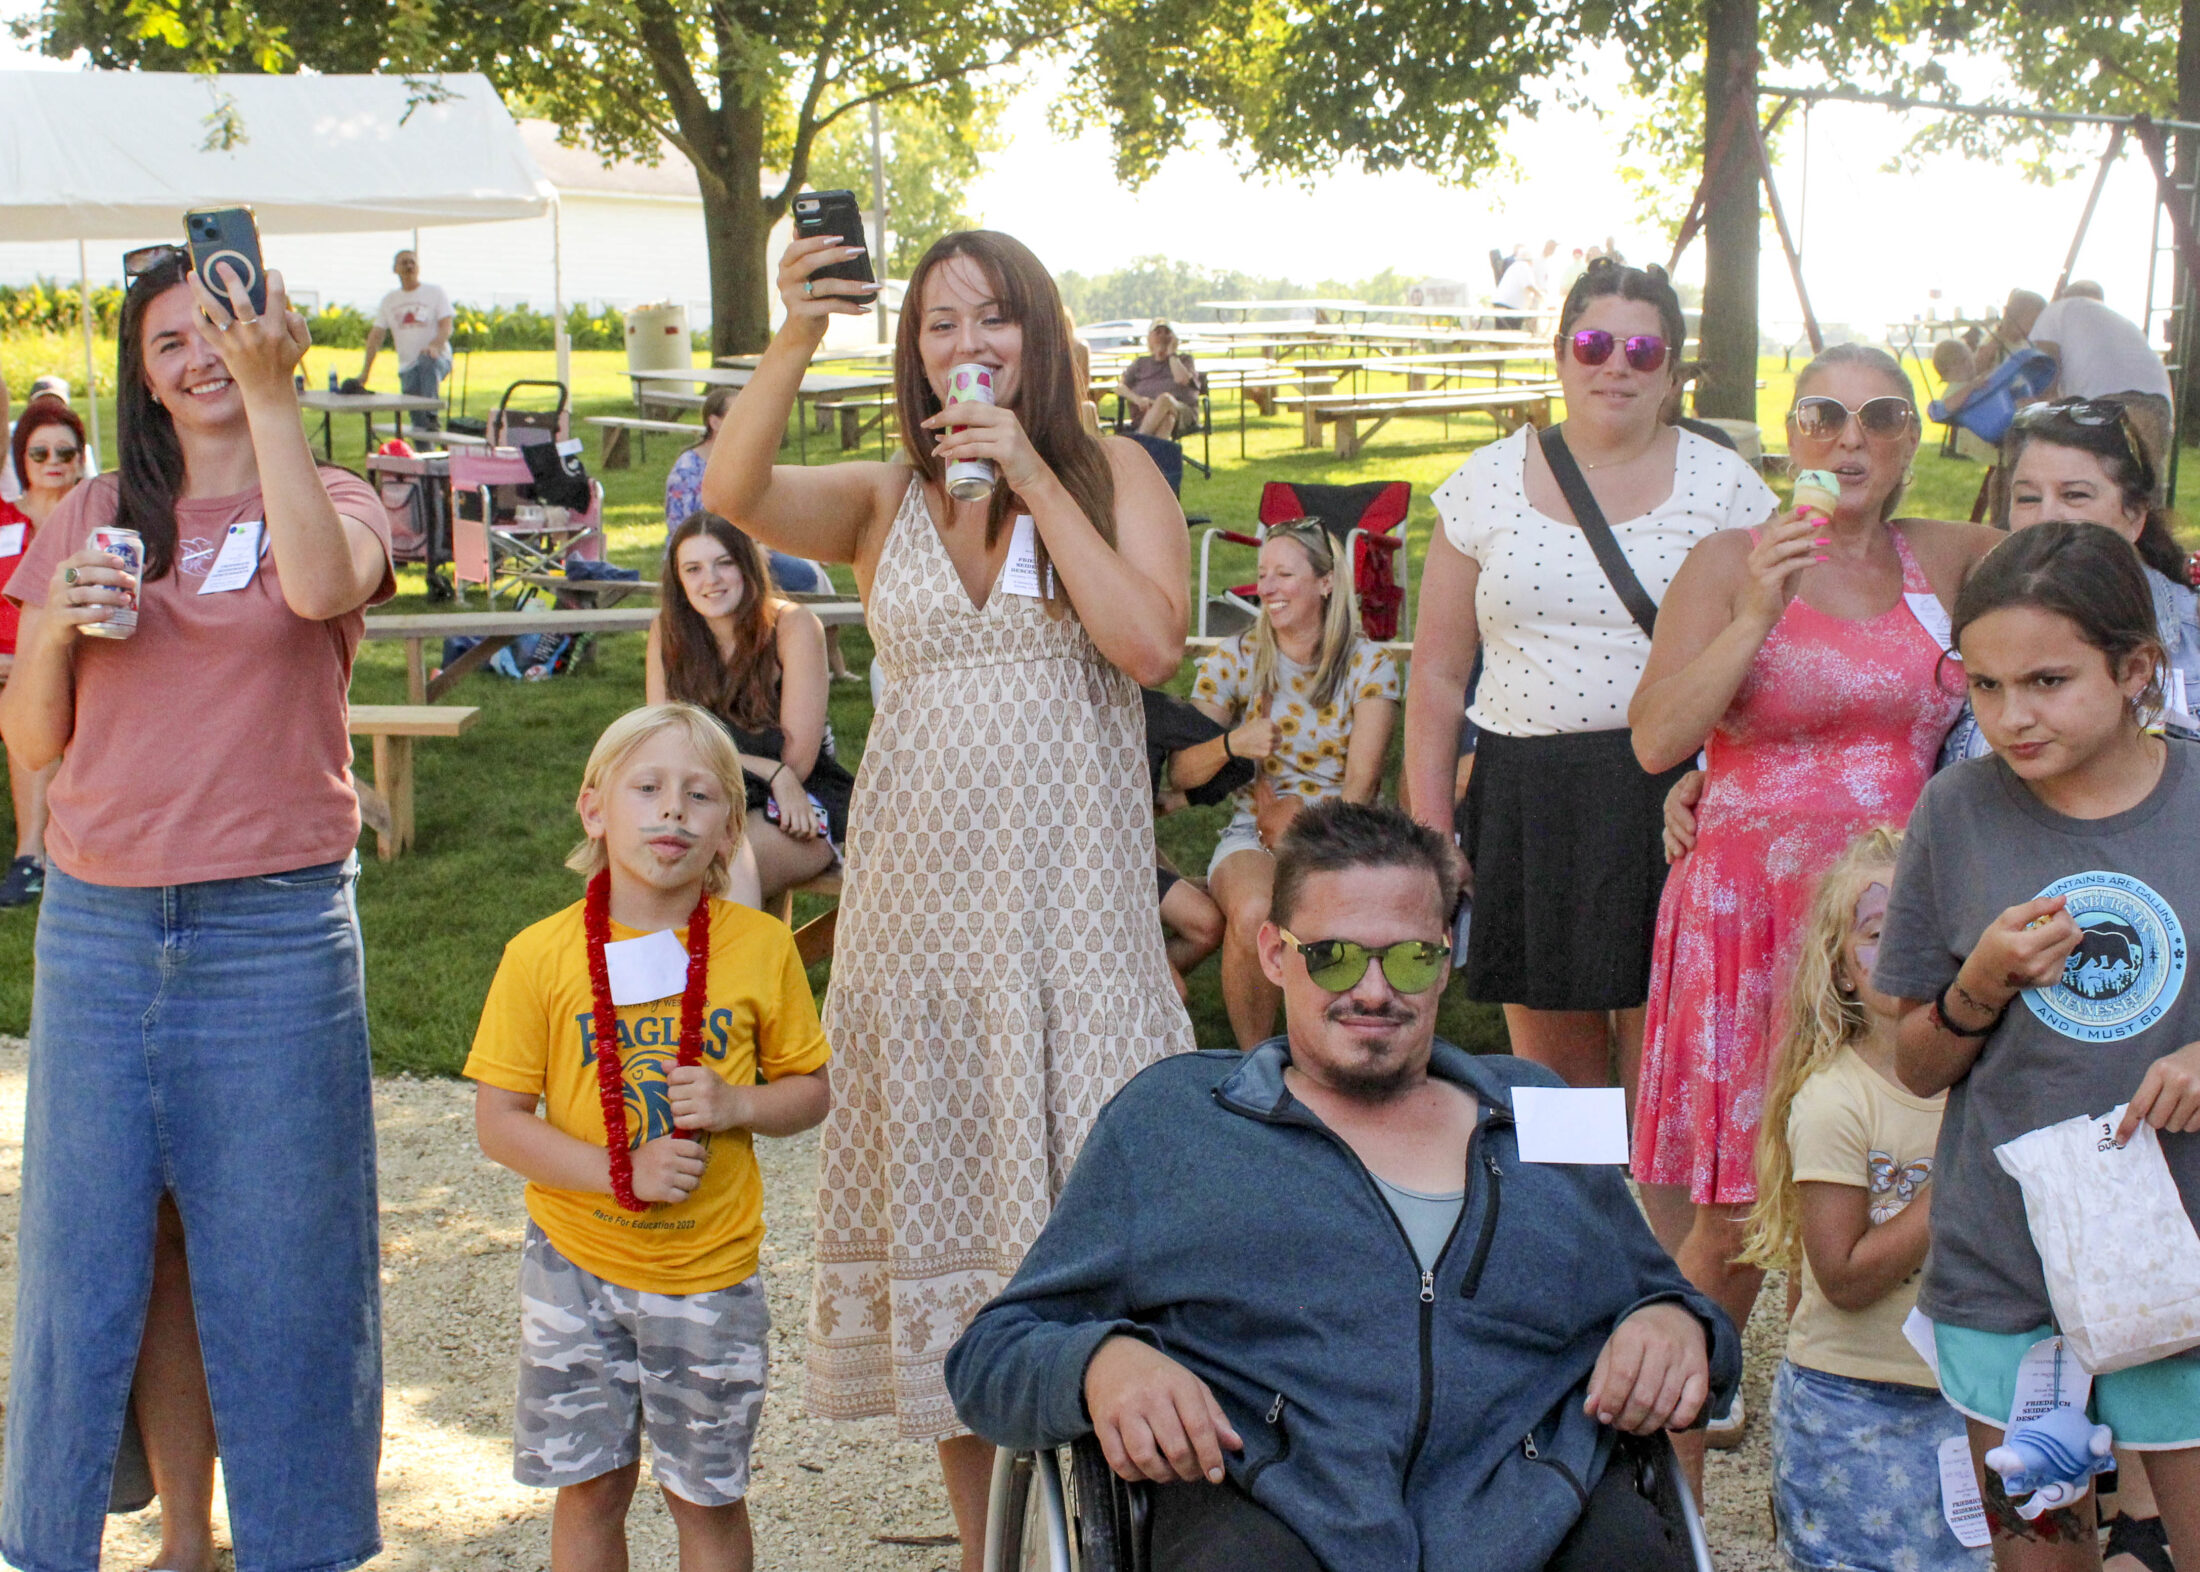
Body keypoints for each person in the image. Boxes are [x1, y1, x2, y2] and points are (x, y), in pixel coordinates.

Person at [700, 226, 1195, 1569]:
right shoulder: (883, 497)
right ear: (912, 349)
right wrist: (800, 329)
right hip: (917, 932)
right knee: (956, 1256)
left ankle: (1121, 1538)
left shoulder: (1116, 472)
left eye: (993, 318)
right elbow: (733, 490)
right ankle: (990, 1553)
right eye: (938, 323)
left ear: (1040, 332)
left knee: (1106, 1251)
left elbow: (1150, 643)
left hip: (1075, 930)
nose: (966, 344)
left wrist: (1031, 469)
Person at [945, 801, 1743, 1572]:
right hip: (1269, 1502)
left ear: (1444, 961)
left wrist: (1676, 1324)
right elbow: (991, 1355)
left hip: (1535, 1502)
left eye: (1409, 957)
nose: (1373, 990)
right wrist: (1099, 1363)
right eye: (1333, 957)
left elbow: (1668, 1302)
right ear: (1273, 954)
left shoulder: (1538, 1106)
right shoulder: (1171, 1122)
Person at [0, 247, 394, 1572]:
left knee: (287, 1265)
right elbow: (34, 739)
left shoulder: (333, 494)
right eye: (166, 342)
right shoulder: (94, 509)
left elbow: (322, 590)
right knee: (97, 1256)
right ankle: (171, 1541)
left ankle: (299, 1549)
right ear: (145, 378)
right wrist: (54, 628)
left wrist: (275, 396)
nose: (195, 357)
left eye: (215, 329)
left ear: (265, 334)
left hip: (275, 935)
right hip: (100, 932)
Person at [1628, 343, 1991, 1476]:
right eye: (1824, 414)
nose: (1851, 438)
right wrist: (1754, 612)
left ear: (1912, 439)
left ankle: (1854, 1469)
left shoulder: (1951, 557)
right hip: (1749, 918)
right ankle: (1671, 1502)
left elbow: (2091, 575)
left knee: (1881, 1184)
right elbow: (1655, 739)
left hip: (1890, 925)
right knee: (1737, 1219)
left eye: (1882, 416)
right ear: (1791, 435)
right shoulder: (1727, 558)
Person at [1876, 521, 2200, 1572]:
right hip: (2007, 1268)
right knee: (2037, 1551)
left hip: (2185, 1263)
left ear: (2136, 669)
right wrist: (1979, 984)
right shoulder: (1956, 811)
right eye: (1985, 685)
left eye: (2048, 681)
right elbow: (1917, 1064)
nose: (2011, 716)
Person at [466, 703, 832, 1572]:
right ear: (594, 810)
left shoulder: (759, 947)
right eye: (648, 789)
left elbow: (812, 1092)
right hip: (574, 1265)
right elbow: (499, 1124)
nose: (673, 810)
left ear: (729, 831)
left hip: (708, 1272)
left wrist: (738, 1104)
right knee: (590, 1488)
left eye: (701, 796)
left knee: (705, 1497)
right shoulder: (539, 956)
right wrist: (618, 1170)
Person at [1404, 259, 1778, 1103]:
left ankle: (1658, 1196)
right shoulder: (1484, 483)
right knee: (1555, 1083)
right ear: (1562, 354)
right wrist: (1434, 833)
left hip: (1677, 792)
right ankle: (1574, 1194)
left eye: (1644, 351)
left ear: (1673, 374)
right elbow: (1436, 677)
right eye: (1594, 344)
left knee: (1668, 1064)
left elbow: (1766, 652)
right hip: (1529, 797)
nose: (1617, 365)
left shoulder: (1729, 489)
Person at [1737, 827, 1987, 1572]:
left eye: (1926, 925)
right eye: (1879, 933)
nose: (1907, 948)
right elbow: (1841, 1277)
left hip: (1972, 1397)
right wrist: (1955, 1185)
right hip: (1853, 1408)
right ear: (1841, 970)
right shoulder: (1835, 1102)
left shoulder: (1992, 1084)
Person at [1193, 519, 1400, 1046]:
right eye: (1263, 573)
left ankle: (1338, 1050)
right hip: (1254, 833)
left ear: (1326, 583)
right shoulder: (1235, 658)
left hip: (1344, 833)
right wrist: (1231, 744)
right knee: (1255, 912)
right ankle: (1255, 1062)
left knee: (1328, 915)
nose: (1267, 587)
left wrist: (1304, 833)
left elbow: (1362, 785)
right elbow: (1182, 771)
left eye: (1284, 574)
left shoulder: (1368, 666)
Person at [647, 511, 853, 908]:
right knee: (643, 866)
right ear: (678, 579)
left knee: (719, 869)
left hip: (795, 797)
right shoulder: (667, 631)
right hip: (703, 792)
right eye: (693, 569)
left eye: (724, 562)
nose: (711, 580)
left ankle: (737, 953)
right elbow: (662, 744)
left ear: (747, 564)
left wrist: (779, 775)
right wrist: (768, 770)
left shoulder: (792, 626)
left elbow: (797, 761)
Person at [666, 386, 854, 682]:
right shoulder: (688, 468)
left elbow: (767, 512)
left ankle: (832, 664)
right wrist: (747, 549)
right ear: (714, 422)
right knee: (806, 577)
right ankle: (789, 658)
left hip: (753, 546)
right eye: (736, 413)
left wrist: (792, 544)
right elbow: (684, 530)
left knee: (815, 572)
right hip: (713, 557)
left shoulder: (745, 459)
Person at [0, 396, 88, 909]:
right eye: (40, 453)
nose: (53, 461)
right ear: (22, 460)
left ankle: (31, 856)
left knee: (33, 692)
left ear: (80, 459)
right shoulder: (2, 520)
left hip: (70, 663)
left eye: (65, 452)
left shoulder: (100, 522)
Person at [2028, 290, 2173, 482]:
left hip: (2104, 403)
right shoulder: (2115, 318)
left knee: (2091, 485)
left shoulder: (2051, 312)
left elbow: (2046, 378)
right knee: (2145, 487)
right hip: (2157, 401)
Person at [359, 247, 453, 429]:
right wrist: (365, 372)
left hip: (437, 359)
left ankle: (432, 413)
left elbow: (446, 325)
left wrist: (434, 345)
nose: (409, 266)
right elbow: (376, 336)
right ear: (395, 269)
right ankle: (425, 441)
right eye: (404, 263)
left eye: (412, 262)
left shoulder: (435, 292)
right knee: (418, 425)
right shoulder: (389, 300)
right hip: (408, 366)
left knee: (426, 361)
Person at [1116, 320, 1201, 439]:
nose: (1163, 336)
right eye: (1158, 332)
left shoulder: (1184, 360)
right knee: (1167, 420)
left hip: (1181, 411)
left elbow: (1181, 379)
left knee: (1164, 400)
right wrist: (1138, 399)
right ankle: (1153, 451)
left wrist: (1172, 355)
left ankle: (1140, 440)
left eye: (1167, 332)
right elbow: (1120, 388)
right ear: (1149, 338)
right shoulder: (1140, 363)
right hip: (1148, 413)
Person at [1492, 245, 1541, 331]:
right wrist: (1542, 297)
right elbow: (1529, 286)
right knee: (1511, 334)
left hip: (1503, 304)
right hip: (1510, 306)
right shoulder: (1524, 266)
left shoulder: (1515, 266)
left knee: (1503, 333)